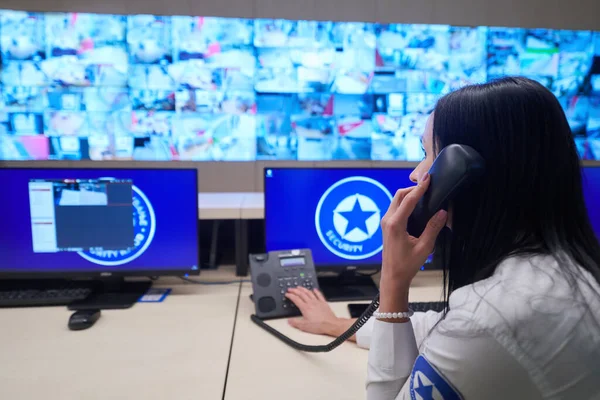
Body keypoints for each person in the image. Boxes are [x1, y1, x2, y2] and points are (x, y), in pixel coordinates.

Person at [286, 77, 600, 399]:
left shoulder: (495, 316)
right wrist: (337, 324)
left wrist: (394, 282)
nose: (416, 174)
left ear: (459, 170)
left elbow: (467, 330)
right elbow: (441, 325)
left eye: (428, 154)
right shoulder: (563, 271)